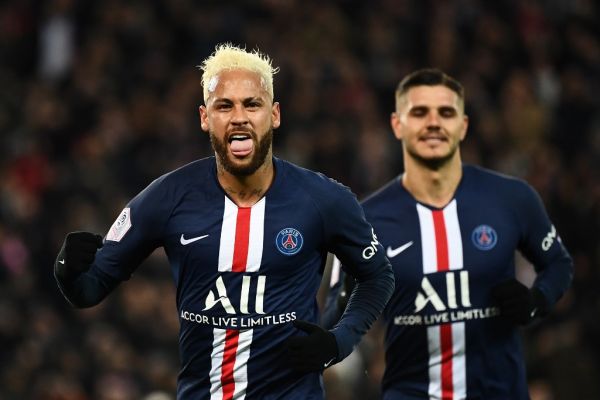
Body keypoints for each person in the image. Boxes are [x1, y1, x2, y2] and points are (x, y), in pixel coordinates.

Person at [54, 44, 395, 399]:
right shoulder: (167, 197)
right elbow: (89, 289)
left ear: (274, 114)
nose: (239, 117)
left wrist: (338, 342)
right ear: (205, 117)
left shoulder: (324, 199)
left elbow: (378, 275)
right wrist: (66, 270)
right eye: (224, 105)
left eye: (252, 104)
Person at [323, 68, 573, 399]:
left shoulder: (512, 198)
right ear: (397, 124)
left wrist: (535, 301)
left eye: (446, 112)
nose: (433, 123)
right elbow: (331, 316)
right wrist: (343, 309)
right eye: (419, 112)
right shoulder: (366, 219)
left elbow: (558, 264)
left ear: (463, 125)